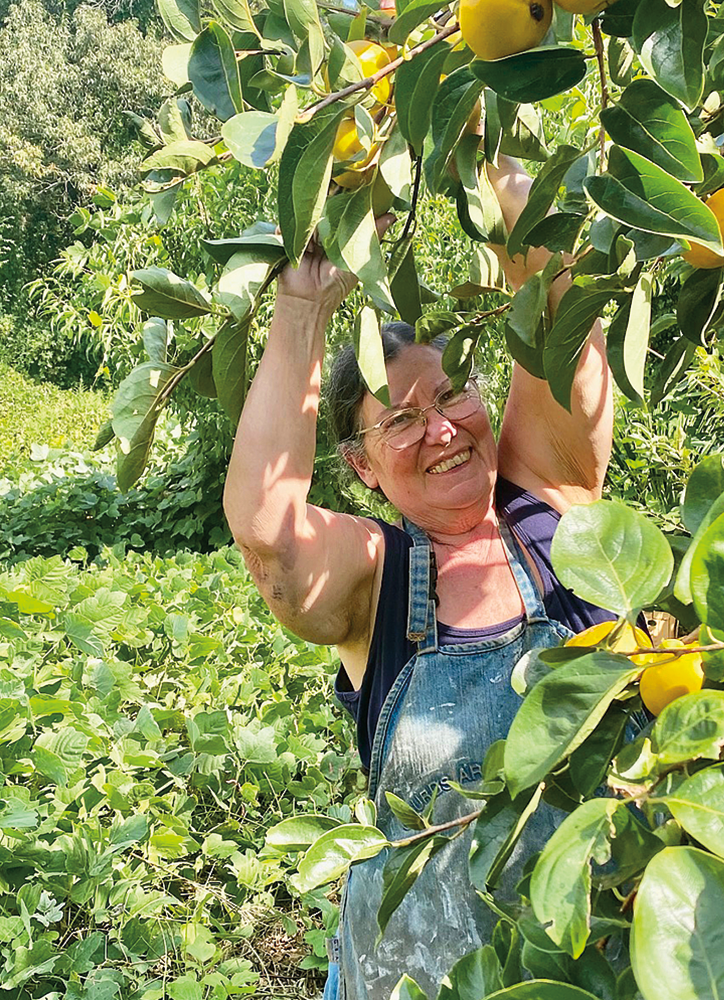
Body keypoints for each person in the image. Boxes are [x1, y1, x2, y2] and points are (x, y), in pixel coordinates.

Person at [223, 154, 617, 1000]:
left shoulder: (546, 501)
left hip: (594, 970)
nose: (440, 429)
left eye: (452, 395)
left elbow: (560, 306)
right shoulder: (379, 578)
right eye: (399, 419)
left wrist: (480, 136)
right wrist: (300, 308)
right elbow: (271, 540)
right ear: (361, 467)